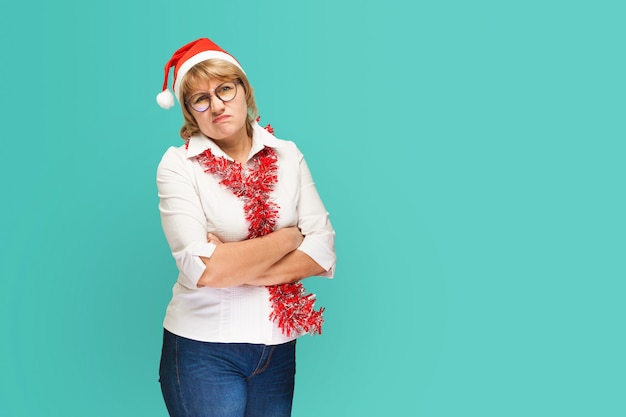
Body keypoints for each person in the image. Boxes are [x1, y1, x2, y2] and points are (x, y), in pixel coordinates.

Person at [154, 38, 336, 417]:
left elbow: (322, 251)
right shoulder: (178, 166)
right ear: (189, 112)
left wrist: (240, 267)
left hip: (277, 347)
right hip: (203, 350)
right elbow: (203, 268)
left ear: (244, 89)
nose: (217, 105)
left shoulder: (287, 154)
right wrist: (288, 238)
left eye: (224, 89)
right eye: (200, 99)